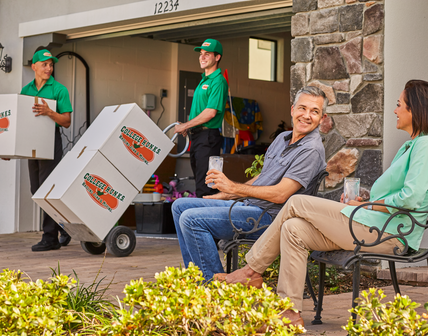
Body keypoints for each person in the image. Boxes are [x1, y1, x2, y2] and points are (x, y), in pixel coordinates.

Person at [223, 80, 428, 330]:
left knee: (297, 201)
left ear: (415, 110)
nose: (395, 110)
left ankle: (251, 271)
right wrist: (365, 203)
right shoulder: (410, 145)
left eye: (399, 105)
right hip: (371, 225)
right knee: (293, 229)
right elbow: (397, 196)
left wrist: (371, 207)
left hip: (392, 235)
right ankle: (289, 314)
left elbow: (411, 197)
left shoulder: (425, 146)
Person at [172, 86, 329, 282]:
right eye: (302, 108)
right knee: (179, 206)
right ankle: (195, 278)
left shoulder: (311, 150)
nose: (306, 116)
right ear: (292, 110)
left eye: (314, 111)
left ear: (322, 118)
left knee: (191, 220)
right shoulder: (282, 138)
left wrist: (234, 187)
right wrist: (229, 194)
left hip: (270, 219)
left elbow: (281, 194)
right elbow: (263, 176)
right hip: (250, 207)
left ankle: (213, 288)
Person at [21, 49, 73, 252]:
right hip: (32, 143)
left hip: (51, 142)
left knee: (46, 191)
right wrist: (11, 150)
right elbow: (21, 122)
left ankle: (50, 237)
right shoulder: (25, 91)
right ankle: (64, 226)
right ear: (34, 66)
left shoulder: (59, 90)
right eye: (44, 64)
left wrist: (50, 112)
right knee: (36, 190)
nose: (49, 68)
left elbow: (67, 121)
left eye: (51, 64)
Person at [174, 39, 228, 198]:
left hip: (208, 137)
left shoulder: (218, 81)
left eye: (207, 54)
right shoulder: (203, 80)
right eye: (201, 54)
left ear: (217, 57)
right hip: (198, 136)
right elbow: (201, 112)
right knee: (200, 181)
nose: (202, 57)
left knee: (207, 186)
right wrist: (188, 126)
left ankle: (206, 221)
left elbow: (210, 112)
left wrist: (185, 126)